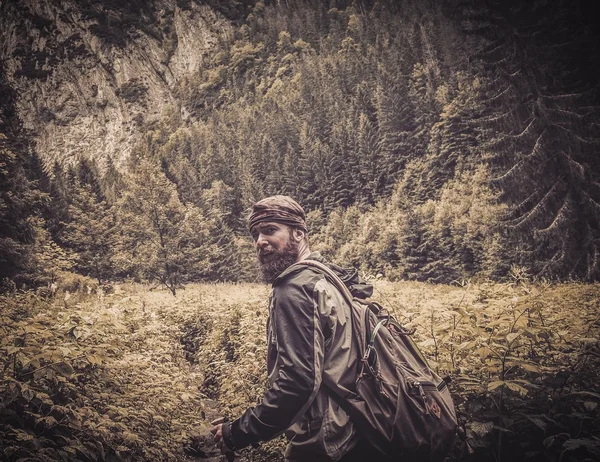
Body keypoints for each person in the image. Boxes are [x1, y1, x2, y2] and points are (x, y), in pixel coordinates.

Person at [211, 195, 385, 461]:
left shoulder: (294, 288)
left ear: (299, 233)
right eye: (255, 234)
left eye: (270, 230)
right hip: (360, 427)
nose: (260, 241)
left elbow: (298, 383)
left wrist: (238, 432)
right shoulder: (325, 276)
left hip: (326, 443)